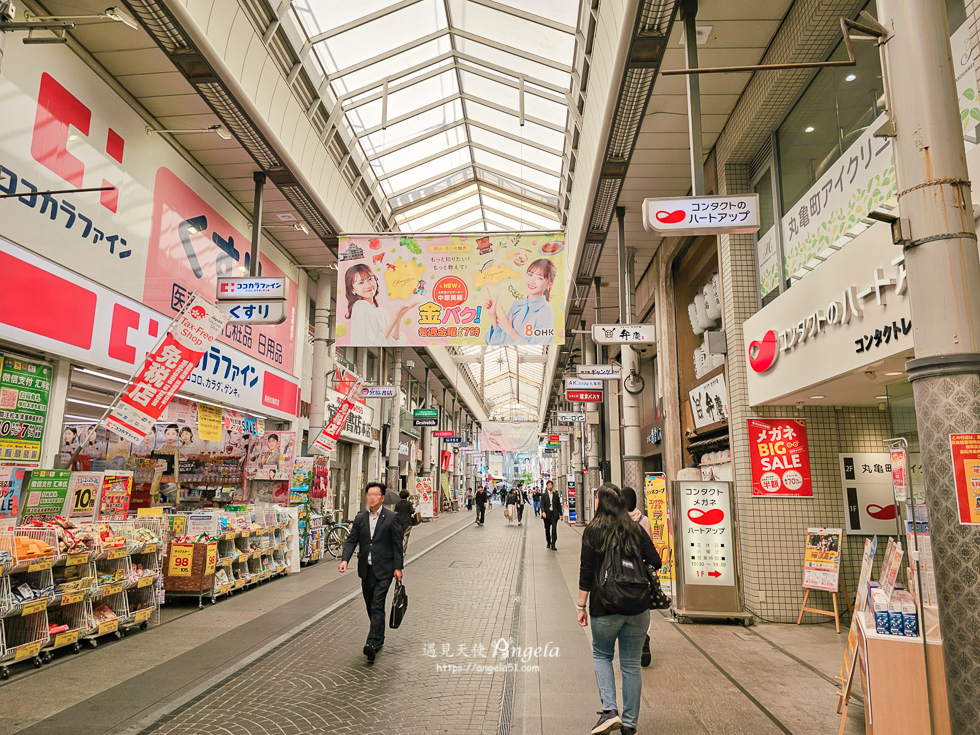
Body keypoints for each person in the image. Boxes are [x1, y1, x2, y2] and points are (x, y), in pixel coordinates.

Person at [577, 484, 662, 735]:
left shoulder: (593, 531)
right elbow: (655, 561)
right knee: (631, 665)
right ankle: (630, 724)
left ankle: (610, 711)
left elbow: (586, 572)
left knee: (602, 655)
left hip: (604, 607)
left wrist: (581, 606)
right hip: (637, 607)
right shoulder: (634, 528)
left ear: (601, 503)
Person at [339, 482, 404, 663]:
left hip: (384, 570)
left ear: (382, 498)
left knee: (377, 604)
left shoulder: (392, 517)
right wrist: (345, 560)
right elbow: (352, 540)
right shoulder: (360, 518)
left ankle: (372, 644)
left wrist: (398, 568)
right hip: (365, 569)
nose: (371, 498)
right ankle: (379, 635)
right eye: (369, 494)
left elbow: (397, 545)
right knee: (370, 605)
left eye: (375, 494)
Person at [485, 259, 558, 346]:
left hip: (526, 358)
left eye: (539, 278)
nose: (532, 281)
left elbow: (537, 347)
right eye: (530, 275)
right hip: (504, 356)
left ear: (549, 284)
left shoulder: (546, 311)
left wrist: (510, 331)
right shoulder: (517, 305)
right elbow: (498, 340)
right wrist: (492, 315)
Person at [623, 486, 655, 669]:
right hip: (642, 572)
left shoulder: (618, 522)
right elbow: (650, 549)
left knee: (628, 607)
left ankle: (632, 642)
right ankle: (645, 635)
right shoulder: (645, 521)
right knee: (644, 608)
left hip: (625, 572)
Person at [344, 263, 415, 346]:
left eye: (370, 279)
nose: (368, 285)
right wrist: (395, 319)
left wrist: (398, 319)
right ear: (353, 290)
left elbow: (393, 343)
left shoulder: (381, 311)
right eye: (361, 283)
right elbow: (371, 343)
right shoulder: (361, 306)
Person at [540, 480, 562, 550]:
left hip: (554, 514)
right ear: (547, 486)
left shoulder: (556, 495)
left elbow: (558, 505)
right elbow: (542, 504)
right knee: (547, 529)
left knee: (554, 529)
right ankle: (548, 542)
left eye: (551, 485)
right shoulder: (544, 495)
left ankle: (553, 544)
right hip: (546, 514)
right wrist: (543, 512)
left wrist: (561, 514)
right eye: (549, 485)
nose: (550, 486)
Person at [394, 489, 416, 554]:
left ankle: (398, 550)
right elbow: (412, 511)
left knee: (399, 537)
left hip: (399, 523)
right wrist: (414, 508)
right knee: (405, 537)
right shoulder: (408, 504)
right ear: (407, 496)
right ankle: (403, 551)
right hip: (407, 522)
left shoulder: (398, 504)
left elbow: (395, 512)